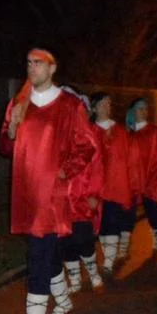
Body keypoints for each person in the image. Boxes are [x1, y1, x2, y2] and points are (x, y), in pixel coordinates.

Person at [0, 49, 98, 314]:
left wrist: (65, 172)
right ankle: (63, 299)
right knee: (46, 251)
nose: (32, 68)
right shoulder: (19, 103)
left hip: (52, 195)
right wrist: (12, 128)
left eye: (38, 63)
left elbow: (87, 146)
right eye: (29, 63)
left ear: (52, 68)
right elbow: (5, 147)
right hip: (26, 191)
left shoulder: (69, 105)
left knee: (38, 255)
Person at [60, 89, 105, 294]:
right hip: (61, 199)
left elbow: (97, 167)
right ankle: (74, 278)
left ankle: (93, 272)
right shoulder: (56, 135)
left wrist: (94, 194)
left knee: (84, 238)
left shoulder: (89, 135)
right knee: (66, 240)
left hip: (82, 196)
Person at [91, 92, 136, 275]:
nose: (106, 107)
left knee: (111, 220)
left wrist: (131, 183)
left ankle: (109, 262)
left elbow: (129, 158)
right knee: (100, 225)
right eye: (102, 104)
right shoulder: (88, 131)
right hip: (94, 186)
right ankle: (109, 253)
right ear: (94, 108)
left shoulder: (121, 132)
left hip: (115, 184)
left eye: (108, 104)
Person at [124, 97, 157, 252]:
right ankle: (125, 242)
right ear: (132, 111)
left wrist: (154, 177)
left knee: (152, 208)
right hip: (131, 180)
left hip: (150, 178)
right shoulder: (127, 133)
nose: (143, 111)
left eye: (145, 108)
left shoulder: (154, 131)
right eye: (140, 108)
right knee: (128, 211)